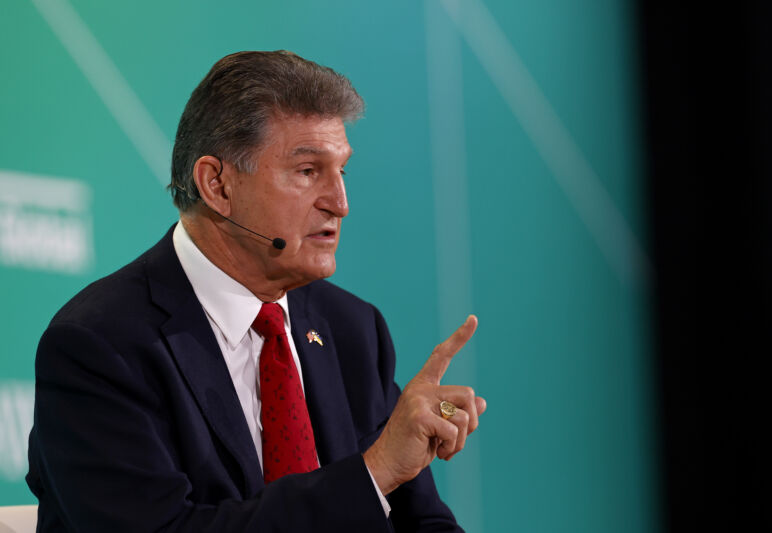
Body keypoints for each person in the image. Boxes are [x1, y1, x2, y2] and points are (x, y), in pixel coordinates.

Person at [26, 51, 486, 532]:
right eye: (308, 171)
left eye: (341, 171)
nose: (340, 204)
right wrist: (374, 473)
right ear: (217, 185)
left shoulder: (353, 330)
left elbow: (424, 522)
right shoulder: (100, 345)